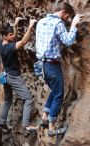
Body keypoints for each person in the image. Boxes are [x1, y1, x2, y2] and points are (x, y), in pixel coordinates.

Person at [35, 2, 82, 137]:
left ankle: (44, 117)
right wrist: (73, 25)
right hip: (52, 65)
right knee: (59, 95)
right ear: (63, 13)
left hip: (41, 65)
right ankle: (52, 127)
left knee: (55, 91)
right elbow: (67, 41)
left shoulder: (41, 22)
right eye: (68, 17)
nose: (67, 20)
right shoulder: (58, 24)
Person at [0, 18, 37, 134]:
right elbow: (23, 42)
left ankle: (2, 122)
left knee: (7, 100)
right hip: (13, 77)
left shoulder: (1, 44)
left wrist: (15, 25)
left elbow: (13, 38)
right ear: (5, 37)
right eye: (10, 35)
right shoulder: (10, 48)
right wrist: (30, 27)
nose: (13, 37)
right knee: (28, 99)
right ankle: (26, 125)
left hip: (5, 76)